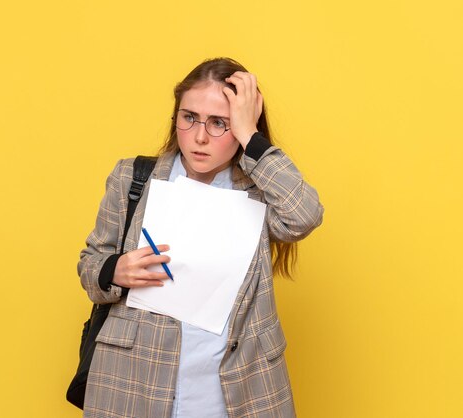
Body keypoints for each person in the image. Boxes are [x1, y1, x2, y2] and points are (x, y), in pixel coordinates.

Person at [77, 57, 324, 418]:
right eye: (189, 117)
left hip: (234, 392)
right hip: (134, 385)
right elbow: (90, 266)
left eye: (220, 123)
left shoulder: (259, 192)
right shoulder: (133, 178)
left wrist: (250, 138)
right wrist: (114, 270)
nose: (200, 137)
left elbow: (305, 216)